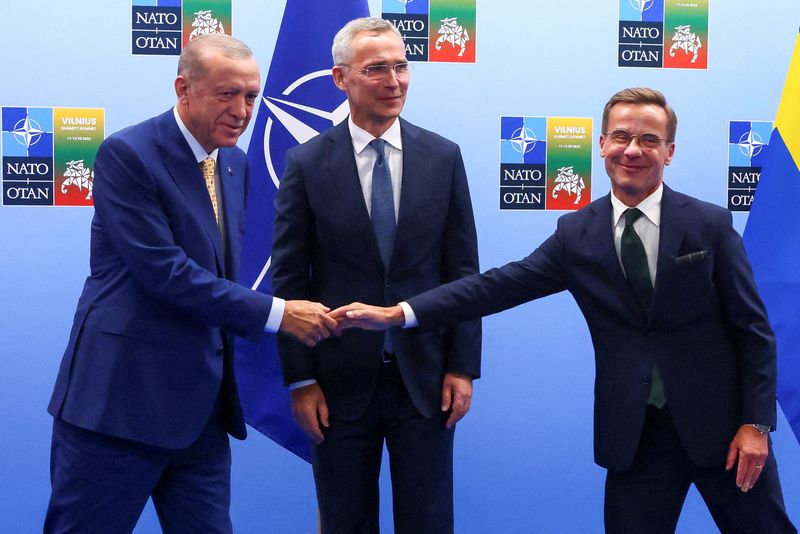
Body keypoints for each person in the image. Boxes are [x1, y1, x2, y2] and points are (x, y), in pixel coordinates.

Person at [334, 88, 797, 533]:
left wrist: (755, 424)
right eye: (621, 136)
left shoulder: (710, 225)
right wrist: (401, 313)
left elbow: (753, 331)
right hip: (635, 439)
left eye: (649, 139)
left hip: (727, 436)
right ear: (601, 144)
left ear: (669, 152)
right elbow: (496, 287)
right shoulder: (577, 234)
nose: (632, 149)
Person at [44, 34, 335, 533]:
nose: (242, 110)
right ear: (183, 88)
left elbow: (220, 274)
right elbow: (166, 273)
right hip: (119, 408)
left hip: (202, 414)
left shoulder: (236, 163)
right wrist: (280, 313)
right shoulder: (127, 154)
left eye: (250, 95)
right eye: (226, 94)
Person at [271, 17, 481, 534]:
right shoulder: (305, 162)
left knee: (429, 521)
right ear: (340, 79)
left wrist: (463, 367)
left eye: (401, 66)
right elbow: (290, 280)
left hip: (427, 380)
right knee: (344, 521)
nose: (394, 81)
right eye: (377, 69)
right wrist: (300, 379)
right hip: (337, 384)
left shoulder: (444, 157)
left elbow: (463, 271)